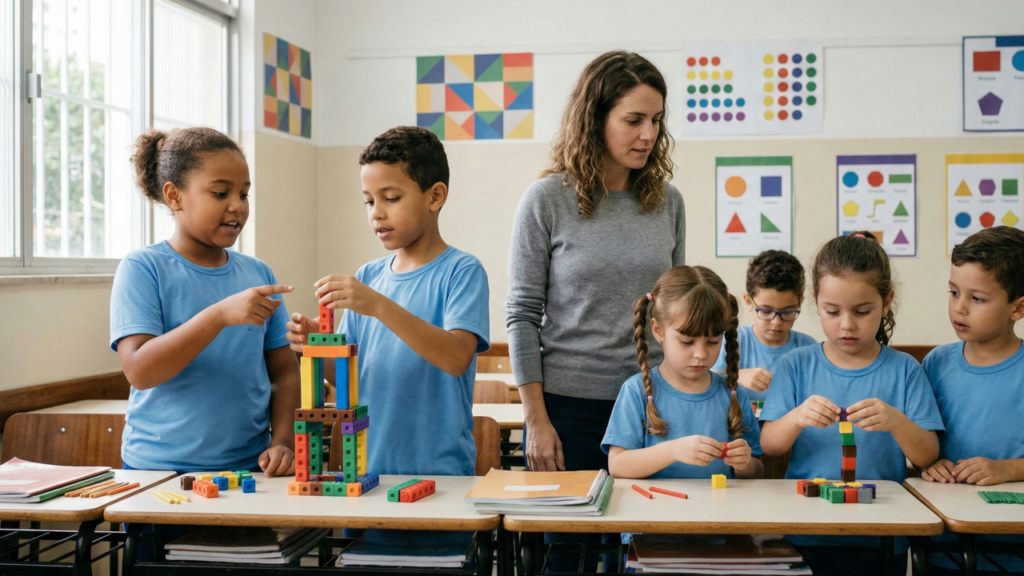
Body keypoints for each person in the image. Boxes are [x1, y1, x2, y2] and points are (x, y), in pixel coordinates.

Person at [506, 49, 684, 572]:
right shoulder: (546, 200)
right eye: (633, 120)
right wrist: (534, 419)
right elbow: (521, 315)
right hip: (568, 409)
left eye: (655, 120)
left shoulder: (668, 202)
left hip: (650, 408)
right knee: (569, 556)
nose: (648, 134)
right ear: (595, 119)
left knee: (646, 556)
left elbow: (674, 313)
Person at [286, 126, 489, 476]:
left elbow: (456, 357)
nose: (376, 213)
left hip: (439, 474)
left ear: (435, 196)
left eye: (391, 198)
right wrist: (315, 346)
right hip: (369, 471)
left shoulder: (462, 271)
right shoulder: (368, 277)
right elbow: (350, 377)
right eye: (369, 201)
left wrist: (379, 306)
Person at [111, 127, 298, 476]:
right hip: (157, 473)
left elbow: (285, 371)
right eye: (219, 193)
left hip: (249, 470)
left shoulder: (259, 273)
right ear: (174, 196)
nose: (237, 206)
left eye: (244, 194)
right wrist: (218, 316)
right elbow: (139, 370)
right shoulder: (142, 268)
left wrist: (283, 440)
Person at [759, 232, 943, 575]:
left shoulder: (905, 369)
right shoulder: (796, 364)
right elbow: (769, 445)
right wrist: (797, 417)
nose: (846, 324)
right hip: (805, 529)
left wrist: (896, 421)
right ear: (816, 301)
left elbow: (926, 455)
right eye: (832, 311)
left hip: (882, 530)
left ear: (886, 302)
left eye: (862, 311)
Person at [921, 226, 1024, 575]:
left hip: (1013, 546)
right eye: (953, 292)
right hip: (943, 547)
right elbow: (921, 441)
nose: (959, 308)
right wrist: (926, 463)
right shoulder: (936, 362)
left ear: (1018, 307)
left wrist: (1006, 469)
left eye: (976, 299)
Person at [603, 265, 763, 483]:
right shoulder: (636, 390)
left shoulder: (733, 393)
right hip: (655, 513)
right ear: (658, 331)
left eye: (713, 341)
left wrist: (745, 464)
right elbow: (617, 465)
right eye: (687, 341)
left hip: (719, 513)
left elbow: (757, 470)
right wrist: (673, 451)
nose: (700, 354)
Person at [711, 250, 816, 404]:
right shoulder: (731, 341)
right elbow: (704, 384)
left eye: (787, 312)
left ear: (800, 302)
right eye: (766, 311)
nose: (776, 322)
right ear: (748, 302)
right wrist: (735, 376)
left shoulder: (809, 348)